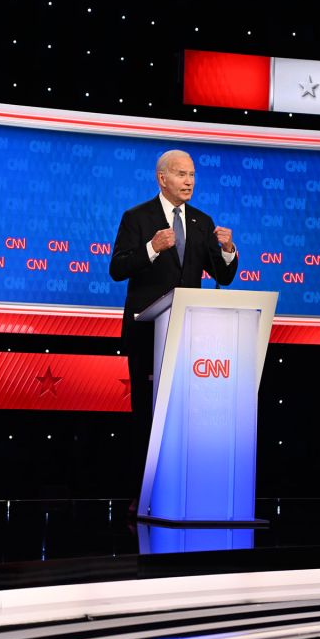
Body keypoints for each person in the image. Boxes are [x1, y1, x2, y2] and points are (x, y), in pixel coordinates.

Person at [108, 149, 238, 509]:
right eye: (181, 174)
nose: (189, 181)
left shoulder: (200, 221)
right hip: (148, 336)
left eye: (193, 175)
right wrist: (151, 248)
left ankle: (182, 492)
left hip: (189, 338)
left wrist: (227, 250)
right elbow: (117, 268)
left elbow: (223, 275)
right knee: (147, 416)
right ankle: (144, 494)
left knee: (185, 417)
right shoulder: (137, 217)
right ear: (162, 178)